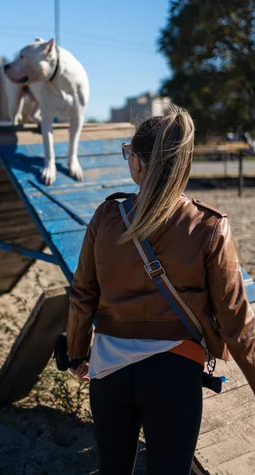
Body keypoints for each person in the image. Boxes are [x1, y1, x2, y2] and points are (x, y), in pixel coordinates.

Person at [66, 105, 255, 475]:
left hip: (108, 371)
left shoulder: (106, 217)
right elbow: (237, 323)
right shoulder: (209, 226)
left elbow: (82, 293)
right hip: (175, 372)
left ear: (137, 163)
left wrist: (75, 354)